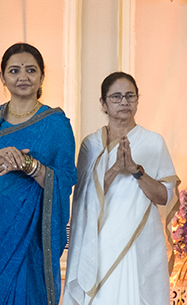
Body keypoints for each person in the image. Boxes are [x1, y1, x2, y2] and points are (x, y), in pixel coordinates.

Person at [0, 43, 76, 305]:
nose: (23, 77)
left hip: (33, 237)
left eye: (31, 70)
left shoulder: (56, 124)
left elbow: (65, 180)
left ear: (42, 75)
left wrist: (29, 165)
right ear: (2, 77)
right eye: (14, 70)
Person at [65, 72, 179, 305]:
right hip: (99, 242)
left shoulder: (153, 142)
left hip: (140, 242)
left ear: (137, 99)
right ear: (103, 103)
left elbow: (165, 196)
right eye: (116, 97)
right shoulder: (91, 144)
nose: (124, 102)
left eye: (130, 96)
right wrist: (116, 168)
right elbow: (83, 198)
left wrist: (137, 171)